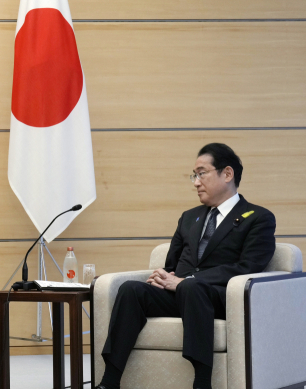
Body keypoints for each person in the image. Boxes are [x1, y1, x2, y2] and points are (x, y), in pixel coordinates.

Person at [96, 143, 276, 389]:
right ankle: (109, 381)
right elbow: (172, 265)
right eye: (194, 175)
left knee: (192, 288)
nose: (196, 182)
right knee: (130, 290)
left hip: (221, 298)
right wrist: (163, 277)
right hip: (180, 293)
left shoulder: (258, 218)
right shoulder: (189, 217)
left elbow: (248, 267)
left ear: (227, 174)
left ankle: (202, 383)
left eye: (202, 173)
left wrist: (187, 281)